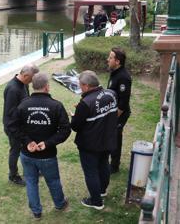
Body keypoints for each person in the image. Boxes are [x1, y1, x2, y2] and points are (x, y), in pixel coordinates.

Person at [9, 73, 71, 219]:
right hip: (46, 155)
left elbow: (12, 126)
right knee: (53, 180)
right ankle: (60, 204)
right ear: (47, 87)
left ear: (32, 86)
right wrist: (43, 143)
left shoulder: (23, 105)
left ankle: (36, 212)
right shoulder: (56, 105)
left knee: (31, 182)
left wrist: (27, 141)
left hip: (27, 154)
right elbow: (65, 129)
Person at [71, 70, 118, 210]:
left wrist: (75, 115)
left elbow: (75, 126)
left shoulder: (85, 103)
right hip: (108, 139)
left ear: (86, 85)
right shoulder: (112, 94)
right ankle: (102, 190)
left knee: (91, 172)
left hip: (90, 144)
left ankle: (96, 201)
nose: (80, 88)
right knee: (104, 165)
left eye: (80, 85)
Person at [3, 64, 39, 186]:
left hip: (23, 124)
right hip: (13, 127)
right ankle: (13, 175)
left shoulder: (24, 84)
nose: (33, 82)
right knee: (15, 150)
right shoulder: (13, 89)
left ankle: (31, 170)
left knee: (27, 147)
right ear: (25, 75)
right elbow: (10, 113)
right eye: (32, 79)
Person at [107, 47, 132, 174]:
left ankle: (114, 166)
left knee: (116, 137)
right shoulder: (114, 73)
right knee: (111, 136)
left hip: (119, 114)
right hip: (112, 112)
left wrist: (114, 117)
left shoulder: (123, 77)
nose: (108, 60)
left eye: (110, 58)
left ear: (117, 61)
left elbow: (123, 102)